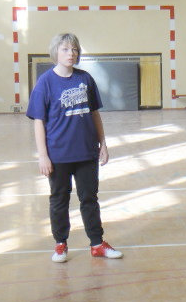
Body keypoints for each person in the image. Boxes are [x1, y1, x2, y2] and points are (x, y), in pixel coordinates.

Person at [26, 33, 122, 263]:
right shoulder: (45, 83)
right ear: (56, 53)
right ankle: (60, 244)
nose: (71, 54)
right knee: (59, 199)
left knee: (89, 199)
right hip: (58, 154)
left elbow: (94, 114)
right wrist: (43, 156)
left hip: (86, 152)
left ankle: (97, 244)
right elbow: (39, 121)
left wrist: (103, 143)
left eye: (74, 50)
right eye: (66, 49)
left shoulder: (85, 79)